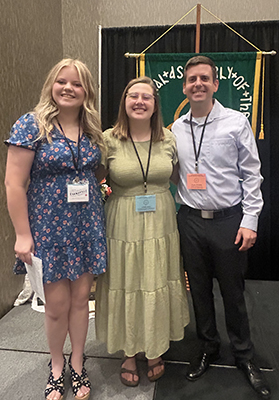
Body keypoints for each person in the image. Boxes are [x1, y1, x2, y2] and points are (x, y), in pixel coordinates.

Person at [5, 58, 107, 400]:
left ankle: (78, 364)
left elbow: (96, 173)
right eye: (62, 81)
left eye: (77, 84)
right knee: (55, 305)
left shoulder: (92, 128)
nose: (68, 88)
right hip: (48, 229)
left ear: (86, 91)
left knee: (81, 301)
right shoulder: (31, 126)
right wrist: (22, 234)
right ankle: (56, 366)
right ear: (52, 84)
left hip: (85, 226)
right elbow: (14, 183)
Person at [172, 55, 271, 399]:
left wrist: (250, 220)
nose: (197, 84)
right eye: (191, 79)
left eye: (204, 78)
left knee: (233, 292)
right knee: (197, 291)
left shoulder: (236, 122)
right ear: (184, 87)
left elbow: (251, 175)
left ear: (215, 84)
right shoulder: (176, 130)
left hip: (229, 221)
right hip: (190, 222)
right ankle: (208, 346)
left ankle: (244, 355)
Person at [95, 76, 189, 386]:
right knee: (126, 280)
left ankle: (155, 347)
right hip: (122, 220)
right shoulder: (108, 139)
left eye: (146, 97)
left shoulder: (169, 139)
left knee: (156, 279)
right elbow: (95, 179)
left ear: (155, 105)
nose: (139, 101)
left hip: (161, 219)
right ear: (124, 102)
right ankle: (129, 351)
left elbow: (179, 177)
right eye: (132, 95)